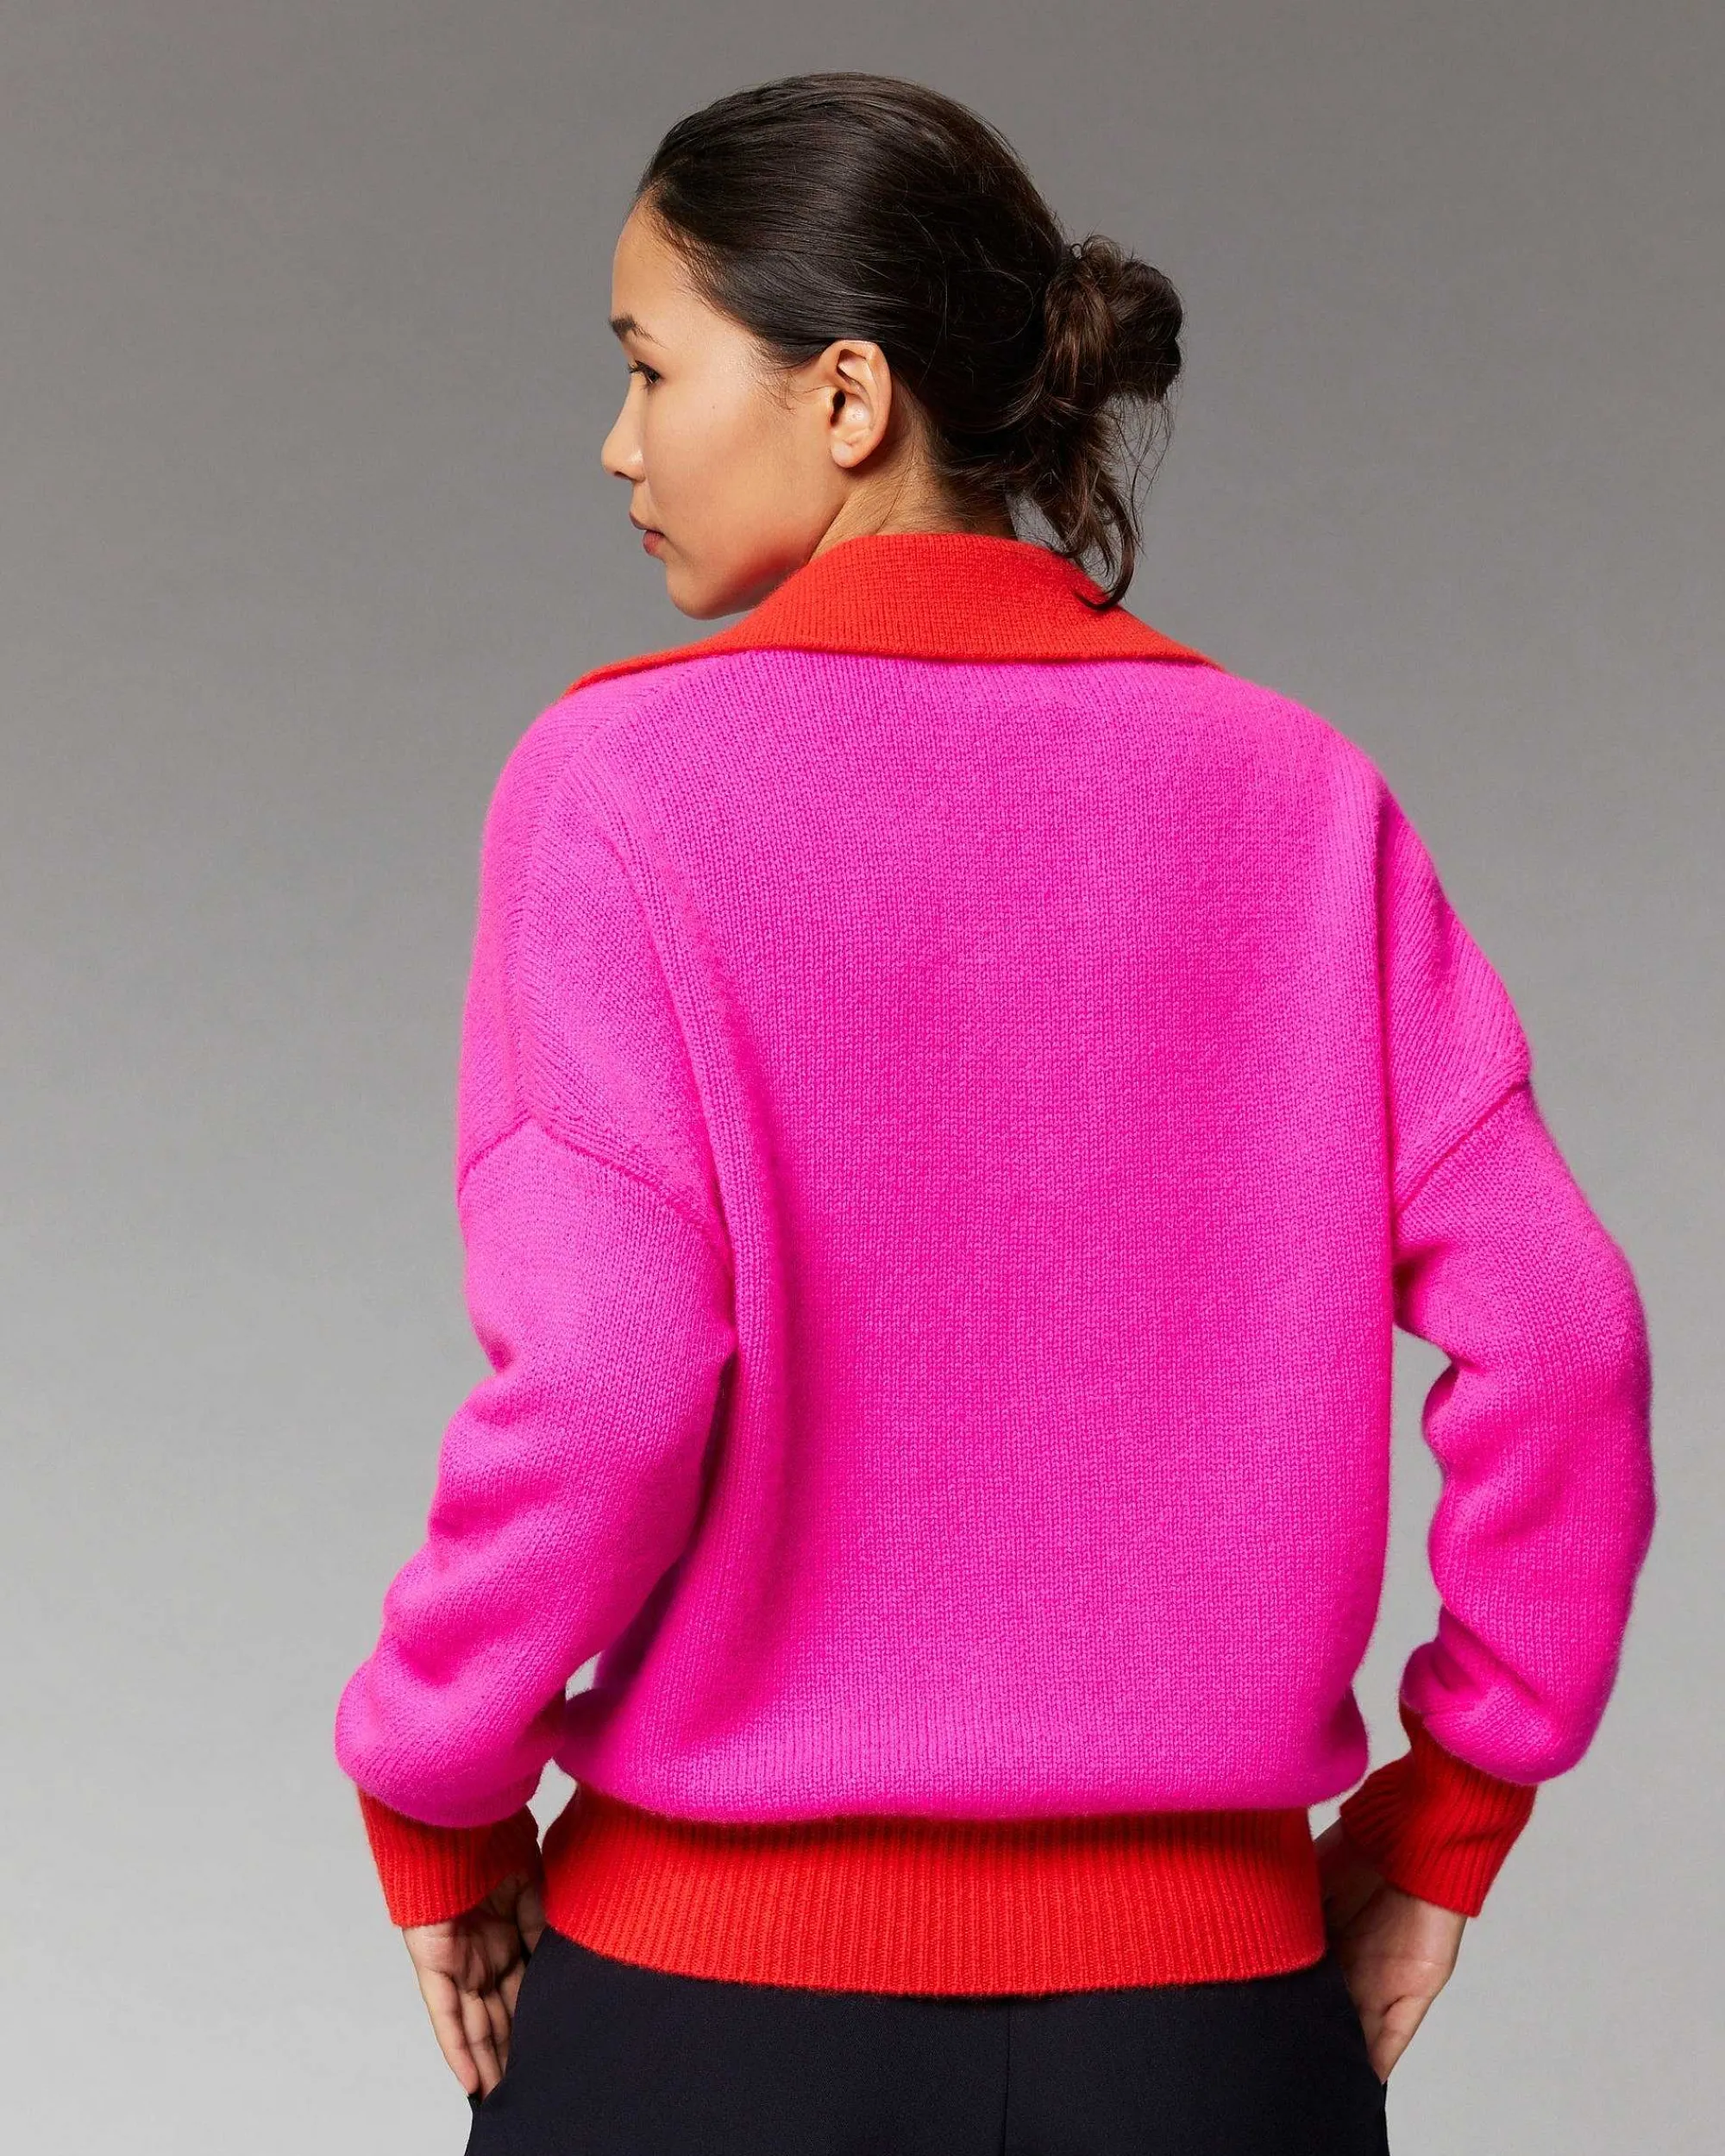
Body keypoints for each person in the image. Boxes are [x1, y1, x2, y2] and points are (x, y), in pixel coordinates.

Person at [331, 71, 1656, 2155]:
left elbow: (602, 1379)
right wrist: (1450, 1807)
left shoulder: (617, 792)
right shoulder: (1300, 797)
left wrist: (438, 1781)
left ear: (846, 395)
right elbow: (1563, 1333)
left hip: (707, 2025)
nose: (618, 442)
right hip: (1208, 2038)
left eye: (649, 367)